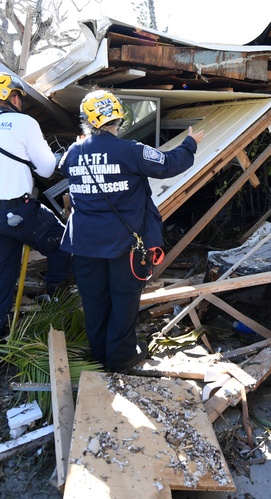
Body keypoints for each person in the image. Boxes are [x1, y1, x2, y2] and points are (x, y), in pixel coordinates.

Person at [59, 89, 205, 373]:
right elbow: (170, 164)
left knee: (95, 301)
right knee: (124, 299)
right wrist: (189, 143)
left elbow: (62, 168)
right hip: (124, 244)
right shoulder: (131, 150)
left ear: (86, 120)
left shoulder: (74, 153)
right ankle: (122, 357)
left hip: (84, 244)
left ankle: (99, 354)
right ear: (118, 117)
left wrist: (82, 148)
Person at [0, 71, 72, 342]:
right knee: (66, 245)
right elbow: (46, 170)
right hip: (15, 211)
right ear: (12, 97)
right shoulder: (23, 123)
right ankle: (56, 303)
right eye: (19, 97)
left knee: (1, 274)